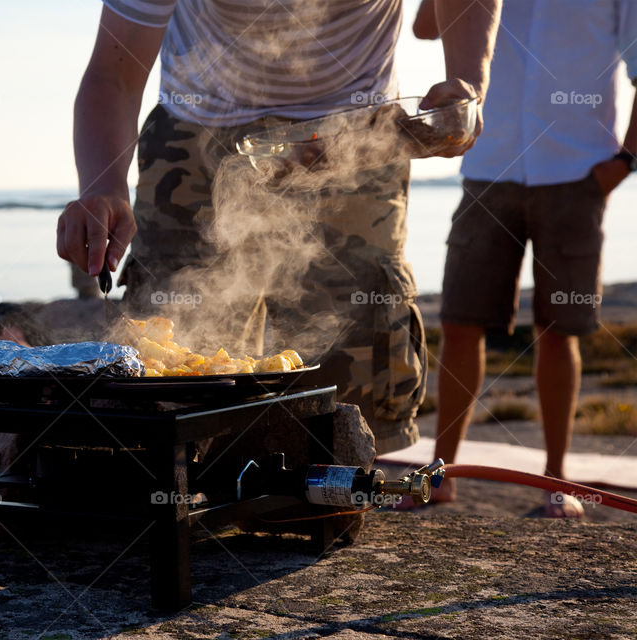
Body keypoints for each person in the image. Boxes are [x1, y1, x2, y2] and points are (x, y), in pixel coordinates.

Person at [55, 0, 500, 455]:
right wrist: (103, 185)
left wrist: (469, 81)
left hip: (355, 127)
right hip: (195, 131)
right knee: (169, 369)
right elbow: (114, 74)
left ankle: (325, 487)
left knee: (348, 387)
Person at [407, 0, 637, 516]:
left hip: (575, 174)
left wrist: (623, 164)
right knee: (460, 321)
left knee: (559, 330)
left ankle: (557, 482)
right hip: (487, 165)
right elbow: (424, 27)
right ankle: (439, 477)